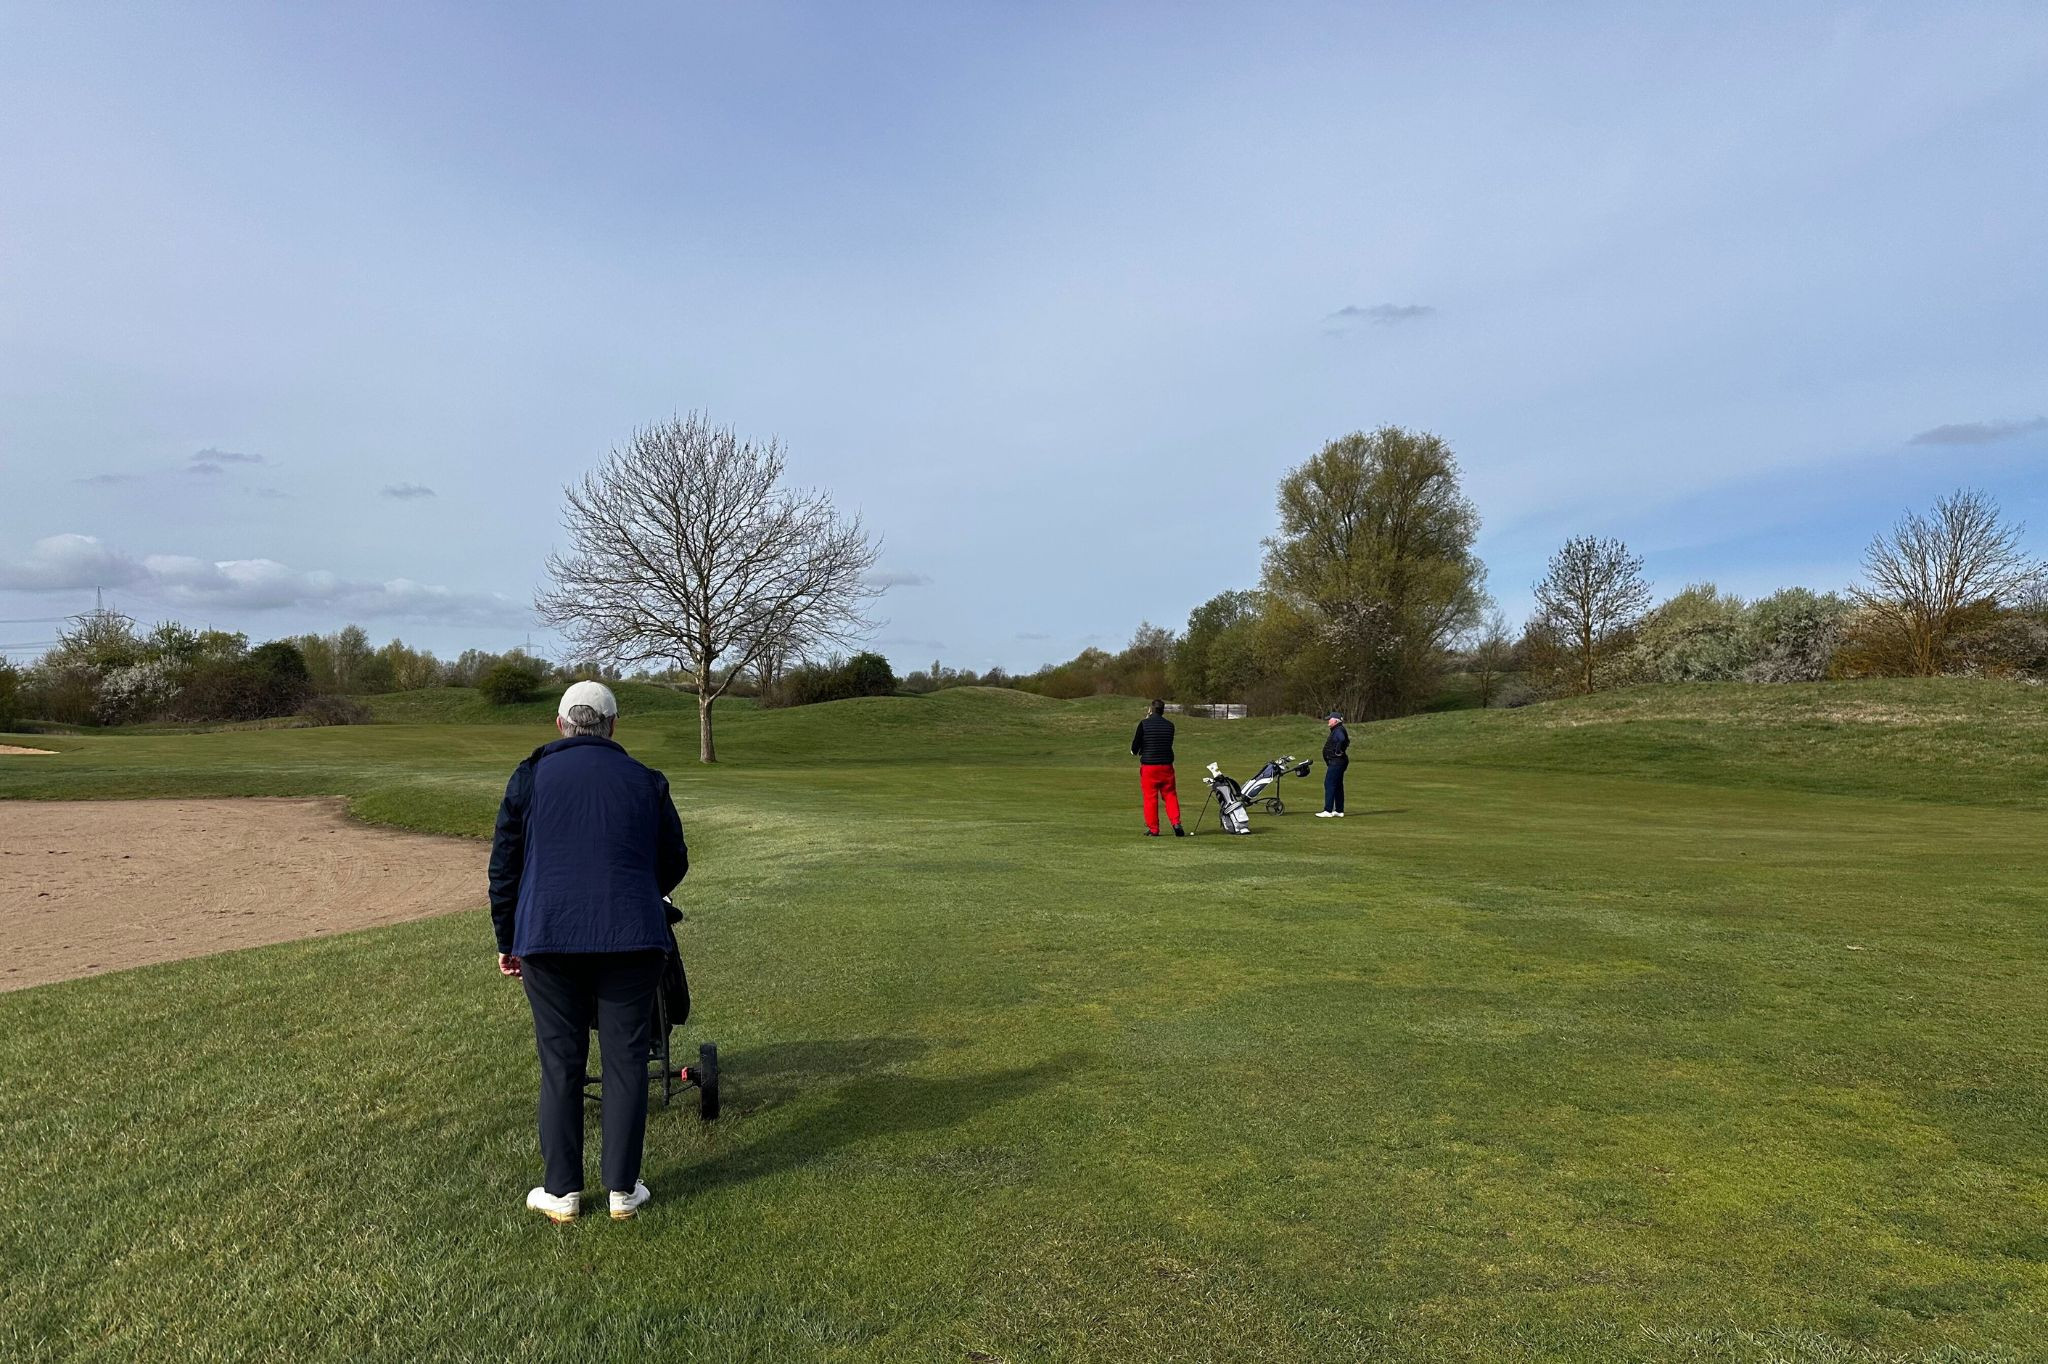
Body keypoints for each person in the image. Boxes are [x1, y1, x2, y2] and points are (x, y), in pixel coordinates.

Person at [489, 680, 688, 1224]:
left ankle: (562, 1192)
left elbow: (504, 867)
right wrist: (636, 889)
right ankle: (623, 1189)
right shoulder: (647, 780)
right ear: (613, 727)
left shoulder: (529, 776)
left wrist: (508, 940)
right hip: (633, 936)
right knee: (625, 1060)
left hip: (547, 938)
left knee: (561, 1062)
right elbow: (674, 860)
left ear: (560, 726)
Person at [1130, 699, 1185, 837]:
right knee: (1170, 795)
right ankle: (1176, 822)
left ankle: (1154, 828)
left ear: (1151, 709)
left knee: (1150, 798)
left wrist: (1146, 719)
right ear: (1163, 710)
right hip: (1167, 766)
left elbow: (1134, 748)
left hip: (1149, 767)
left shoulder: (1144, 724)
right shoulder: (1170, 726)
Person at [1316, 711, 1350, 818]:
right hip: (1338, 762)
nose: (1328, 721)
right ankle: (1339, 810)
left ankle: (1328, 810)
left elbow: (1342, 739)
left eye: (1330, 719)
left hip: (1337, 762)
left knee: (1329, 784)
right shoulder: (1337, 729)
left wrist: (1338, 750)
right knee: (1338, 785)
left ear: (1335, 721)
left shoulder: (1338, 730)